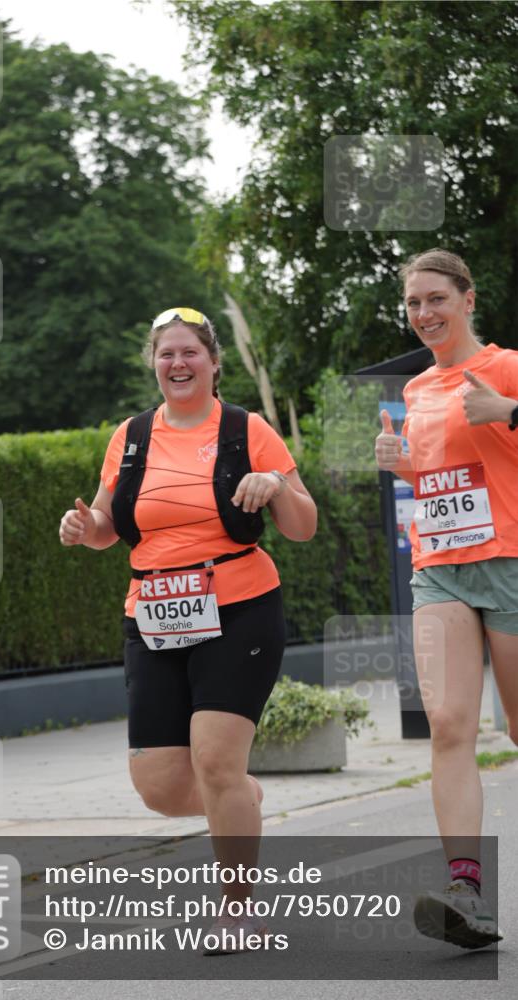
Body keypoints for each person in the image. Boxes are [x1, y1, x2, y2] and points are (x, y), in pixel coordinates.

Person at [60, 306, 317, 952]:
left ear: (211, 362)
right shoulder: (131, 436)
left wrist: (273, 486)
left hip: (239, 608)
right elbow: (105, 523)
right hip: (152, 615)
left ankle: (237, 909)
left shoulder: (245, 429)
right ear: (153, 363)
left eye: (189, 353)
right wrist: (84, 529)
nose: (176, 364)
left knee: (212, 759)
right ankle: (241, 796)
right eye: (165, 354)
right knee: (159, 786)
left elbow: (302, 524)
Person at [375, 249, 518, 950]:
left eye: (435, 299)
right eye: (411, 304)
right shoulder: (416, 391)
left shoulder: (506, 368)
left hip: (510, 563)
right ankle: (466, 891)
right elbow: (442, 473)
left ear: (467, 299)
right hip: (438, 569)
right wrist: (406, 466)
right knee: (449, 724)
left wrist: (511, 411)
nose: (423, 314)